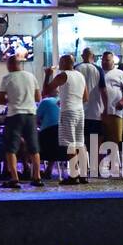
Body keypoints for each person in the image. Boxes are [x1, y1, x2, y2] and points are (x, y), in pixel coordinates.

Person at [0, 55, 43, 188]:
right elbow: (38, 97)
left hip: (15, 115)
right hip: (30, 114)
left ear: (10, 65)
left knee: (11, 148)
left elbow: (1, 100)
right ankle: (37, 177)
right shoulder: (31, 76)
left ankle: (14, 179)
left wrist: (10, 98)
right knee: (34, 148)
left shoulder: (7, 78)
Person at [46, 54, 89, 185]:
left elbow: (46, 90)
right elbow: (86, 97)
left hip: (68, 112)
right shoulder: (80, 76)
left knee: (70, 144)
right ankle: (83, 175)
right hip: (79, 111)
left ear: (65, 62)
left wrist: (47, 74)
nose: (59, 65)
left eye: (60, 62)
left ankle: (73, 175)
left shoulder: (63, 75)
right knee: (80, 144)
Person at [76, 48, 106, 146]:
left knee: (80, 142)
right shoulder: (99, 70)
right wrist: (105, 109)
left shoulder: (76, 68)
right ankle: (94, 161)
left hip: (79, 111)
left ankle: (82, 161)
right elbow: (103, 91)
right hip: (95, 112)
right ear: (93, 56)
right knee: (95, 143)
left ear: (82, 56)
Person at [99, 52, 123, 147]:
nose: (104, 62)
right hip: (99, 113)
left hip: (115, 112)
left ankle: (114, 161)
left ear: (113, 61)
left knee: (115, 140)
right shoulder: (98, 72)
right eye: (103, 60)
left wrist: (122, 101)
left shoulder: (121, 74)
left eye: (107, 60)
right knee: (99, 140)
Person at [36, 88, 62, 180]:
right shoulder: (63, 101)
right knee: (54, 140)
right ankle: (49, 168)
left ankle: (33, 170)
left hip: (47, 138)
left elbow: (36, 118)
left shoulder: (45, 101)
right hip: (63, 143)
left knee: (32, 142)